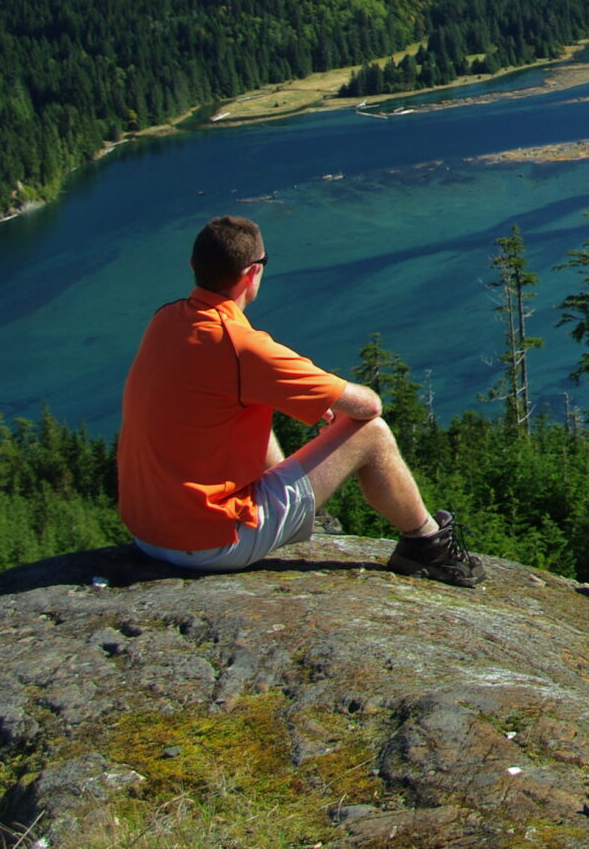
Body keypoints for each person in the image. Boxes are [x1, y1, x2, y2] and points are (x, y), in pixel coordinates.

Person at [117, 214, 483, 586]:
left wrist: (280, 391)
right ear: (252, 272)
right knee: (370, 433)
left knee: (250, 405)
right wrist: (335, 398)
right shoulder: (242, 348)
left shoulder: (165, 320)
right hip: (210, 544)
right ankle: (427, 543)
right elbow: (368, 406)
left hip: (148, 534)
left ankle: (315, 519)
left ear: (195, 265)